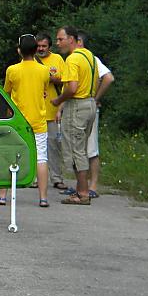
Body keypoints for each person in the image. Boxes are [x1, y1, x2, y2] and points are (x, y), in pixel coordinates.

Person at [0, 34, 51, 207]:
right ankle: (43, 198)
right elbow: (44, 91)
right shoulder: (44, 70)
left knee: (9, 156)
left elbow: (6, 94)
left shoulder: (12, 70)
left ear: (19, 50)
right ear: (36, 50)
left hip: (17, 121)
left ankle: (2, 196)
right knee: (41, 158)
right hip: (39, 121)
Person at [51, 26, 98, 205]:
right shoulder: (89, 56)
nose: (58, 43)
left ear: (71, 39)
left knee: (76, 149)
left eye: (60, 39)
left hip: (77, 106)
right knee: (82, 147)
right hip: (90, 103)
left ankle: (83, 193)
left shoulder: (72, 59)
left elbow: (72, 88)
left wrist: (58, 100)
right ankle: (81, 190)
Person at [67, 32, 115, 199]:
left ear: (78, 42)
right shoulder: (82, 59)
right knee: (81, 147)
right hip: (85, 105)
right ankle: (83, 186)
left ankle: (91, 186)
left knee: (90, 148)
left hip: (85, 106)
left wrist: (94, 98)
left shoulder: (90, 59)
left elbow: (108, 78)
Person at [35, 32, 67, 191]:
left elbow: (64, 79)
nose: (41, 49)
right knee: (35, 147)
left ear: (49, 47)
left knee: (54, 145)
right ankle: (35, 178)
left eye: (44, 46)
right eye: (38, 46)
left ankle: (56, 178)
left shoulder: (57, 59)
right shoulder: (29, 59)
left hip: (53, 110)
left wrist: (48, 77)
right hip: (35, 110)